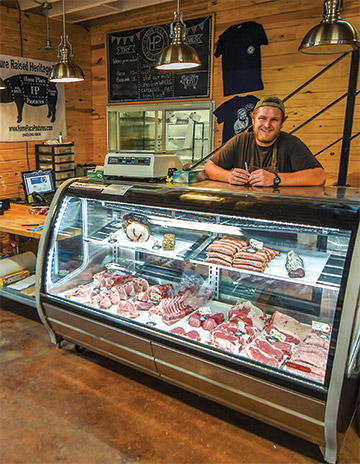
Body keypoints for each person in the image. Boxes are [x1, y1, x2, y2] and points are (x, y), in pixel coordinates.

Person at [205, 96, 326, 187]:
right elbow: (209, 168)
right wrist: (229, 176)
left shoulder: (291, 144)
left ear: (282, 123)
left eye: (274, 120)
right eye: (262, 118)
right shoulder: (240, 141)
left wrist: (275, 179)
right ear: (253, 120)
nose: (267, 125)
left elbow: (319, 176)